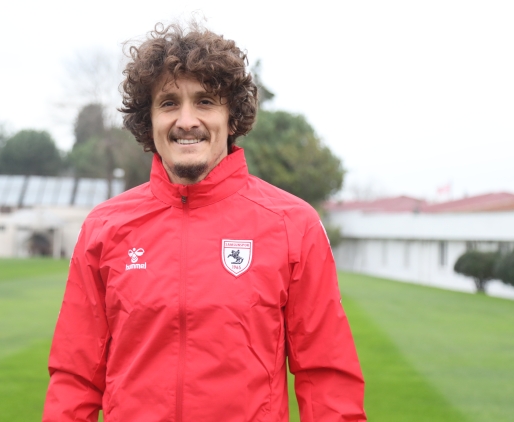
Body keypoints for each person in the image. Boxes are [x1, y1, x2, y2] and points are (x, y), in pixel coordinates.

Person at [43, 22, 366, 422]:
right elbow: (75, 376)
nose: (186, 120)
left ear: (232, 118)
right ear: (148, 120)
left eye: (205, 101)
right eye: (168, 103)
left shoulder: (293, 225)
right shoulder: (104, 228)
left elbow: (327, 376)